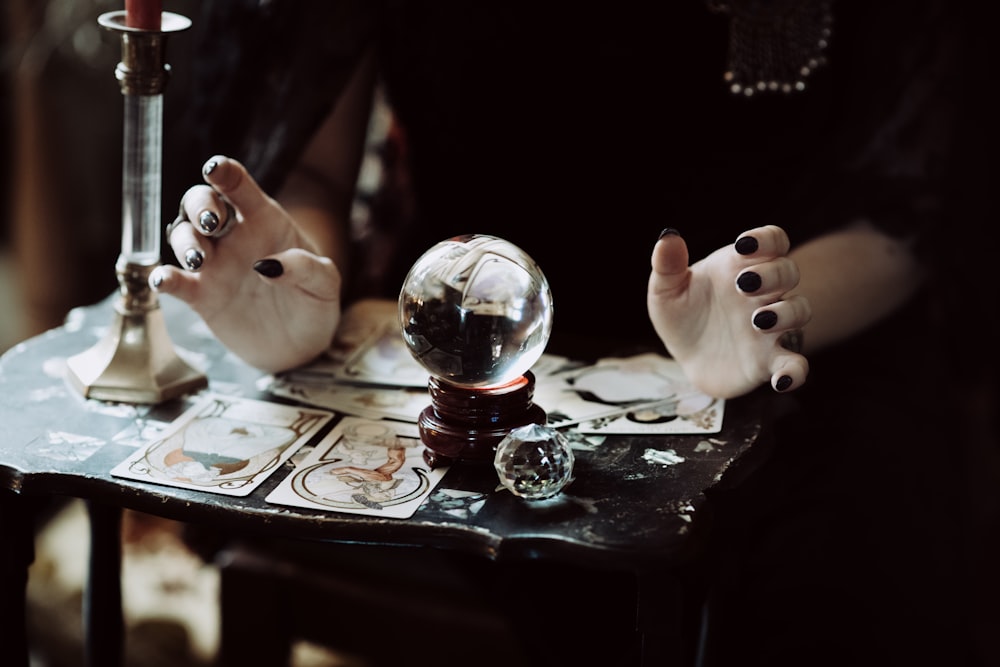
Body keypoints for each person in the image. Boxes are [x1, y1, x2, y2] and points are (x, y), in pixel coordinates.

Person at [151, 1, 996, 665]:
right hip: (464, 359)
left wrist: (759, 308)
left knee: (837, 580)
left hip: (797, 351)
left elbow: (904, 206)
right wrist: (293, 289)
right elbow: (314, 171)